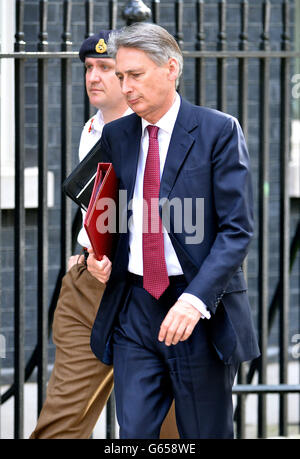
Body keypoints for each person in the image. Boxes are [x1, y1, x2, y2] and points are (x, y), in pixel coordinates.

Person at [90, 22, 260, 439]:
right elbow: (106, 207)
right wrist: (102, 252)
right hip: (133, 307)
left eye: (136, 74)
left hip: (197, 310)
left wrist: (193, 301)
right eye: (121, 75)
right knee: (133, 435)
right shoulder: (116, 135)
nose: (125, 86)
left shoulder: (218, 130)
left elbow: (237, 230)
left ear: (171, 68)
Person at [30, 30, 178, 439]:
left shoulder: (167, 133)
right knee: (63, 420)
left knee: (173, 426)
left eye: (106, 69)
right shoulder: (93, 129)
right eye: (88, 68)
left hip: (152, 289)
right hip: (90, 287)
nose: (94, 77)